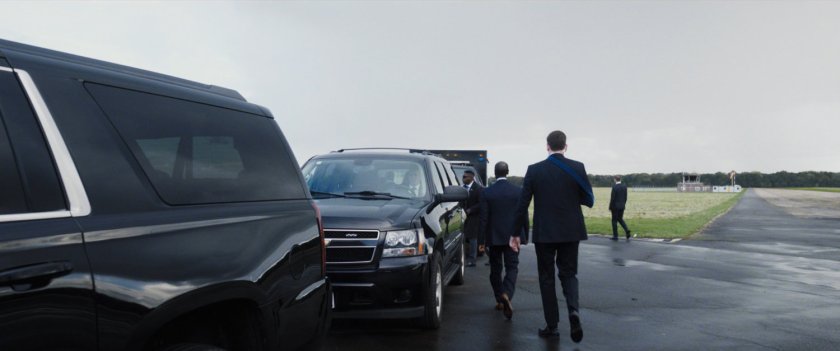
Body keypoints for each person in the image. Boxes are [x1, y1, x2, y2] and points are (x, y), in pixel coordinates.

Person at [510, 130, 593, 343]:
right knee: (569, 274)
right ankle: (573, 311)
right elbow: (588, 199)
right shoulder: (578, 167)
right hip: (570, 230)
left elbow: (522, 205)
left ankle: (552, 325)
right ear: (566, 146)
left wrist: (514, 233)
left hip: (545, 232)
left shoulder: (534, 170)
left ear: (547, 146)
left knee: (546, 278)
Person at [480, 161, 529, 319]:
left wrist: (482, 240)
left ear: (495, 173)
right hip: (513, 236)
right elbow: (523, 215)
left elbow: (484, 218)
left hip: (494, 237)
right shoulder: (518, 191)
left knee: (495, 270)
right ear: (507, 172)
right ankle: (507, 293)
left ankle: (499, 298)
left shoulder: (487, 192)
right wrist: (525, 236)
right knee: (512, 267)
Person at [460, 169, 484, 267]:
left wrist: (470, 210)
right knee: (463, 236)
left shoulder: (478, 189)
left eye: (465, 177)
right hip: (462, 216)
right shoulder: (462, 188)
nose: (463, 178)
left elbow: (481, 203)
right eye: (463, 176)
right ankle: (463, 256)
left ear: (471, 177)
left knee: (473, 238)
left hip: (473, 217)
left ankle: (472, 259)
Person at [609, 175, 632, 241]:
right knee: (620, 219)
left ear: (615, 179)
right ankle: (627, 230)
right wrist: (623, 204)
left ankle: (615, 236)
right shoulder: (624, 186)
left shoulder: (614, 187)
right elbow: (625, 197)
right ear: (620, 179)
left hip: (615, 206)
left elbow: (612, 198)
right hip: (622, 205)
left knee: (614, 221)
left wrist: (610, 207)